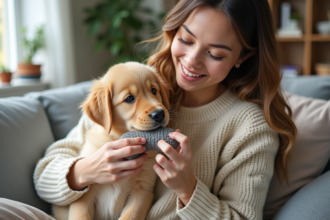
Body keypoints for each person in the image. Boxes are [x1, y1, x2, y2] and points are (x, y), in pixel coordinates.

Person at [32, 0, 297, 219]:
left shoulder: (250, 128)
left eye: (215, 54)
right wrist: (85, 171)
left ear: (242, 57)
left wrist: (188, 190)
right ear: (174, 31)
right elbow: (44, 177)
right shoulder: (138, 82)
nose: (191, 61)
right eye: (186, 39)